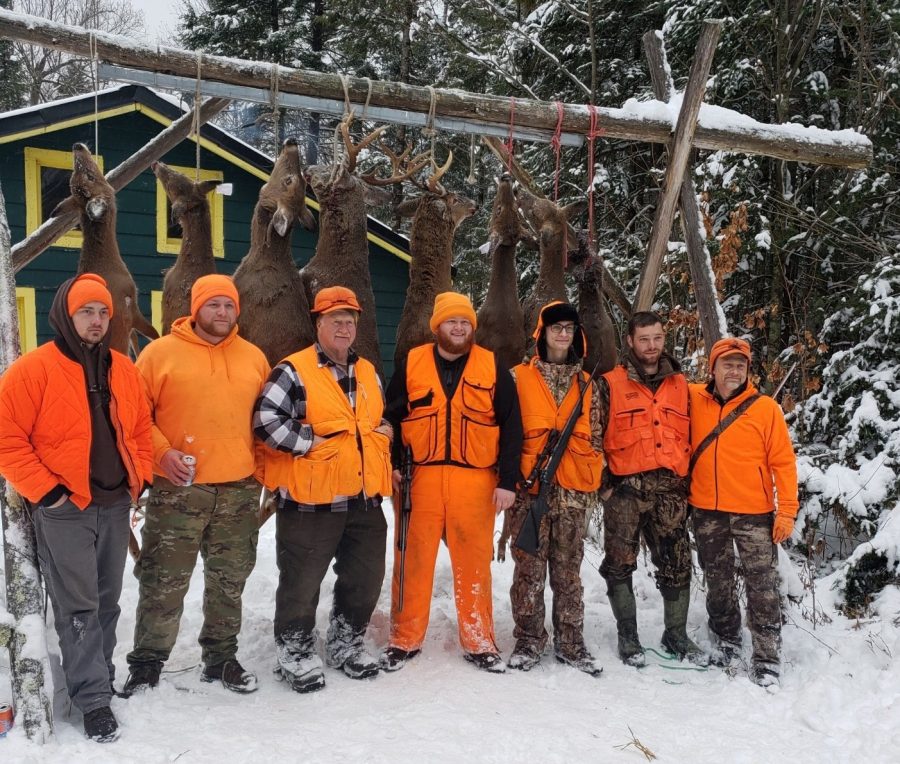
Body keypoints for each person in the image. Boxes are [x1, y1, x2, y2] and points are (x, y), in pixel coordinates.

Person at [0, 274, 153, 742]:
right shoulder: (34, 370)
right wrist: (46, 492)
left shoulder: (123, 368)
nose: (97, 320)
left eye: (103, 312)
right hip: (65, 507)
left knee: (108, 599)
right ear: (66, 314)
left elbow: (142, 430)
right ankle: (92, 701)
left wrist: (140, 477)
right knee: (79, 605)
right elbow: (7, 438)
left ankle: (99, 678)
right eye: (87, 311)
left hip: (114, 503)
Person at [124, 274, 270, 695]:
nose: (222, 313)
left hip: (239, 492)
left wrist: (258, 472)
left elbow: (265, 422)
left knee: (229, 580)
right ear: (196, 308)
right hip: (178, 490)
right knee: (163, 579)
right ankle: (148, 661)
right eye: (213, 305)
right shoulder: (158, 355)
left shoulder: (254, 359)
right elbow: (135, 416)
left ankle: (221, 658)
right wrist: (162, 454)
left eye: (228, 306)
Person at [254, 286, 392, 694]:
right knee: (301, 579)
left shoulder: (366, 370)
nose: (344, 328)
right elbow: (265, 420)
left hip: (364, 498)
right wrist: (309, 442)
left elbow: (372, 421)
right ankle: (294, 651)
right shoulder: (293, 370)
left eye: (350, 321)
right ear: (319, 324)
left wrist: (383, 435)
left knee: (365, 577)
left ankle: (346, 642)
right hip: (311, 501)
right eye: (336, 321)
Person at [381, 291, 523, 674]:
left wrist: (507, 481)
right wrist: (392, 464)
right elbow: (389, 419)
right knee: (411, 559)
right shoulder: (411, 364)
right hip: (419, 478)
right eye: (451, 322)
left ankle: (478, 640)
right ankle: (403, 638)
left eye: (465, 323)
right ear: (437, 327)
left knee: (474, 562)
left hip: (475, 480)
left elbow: (512, 427)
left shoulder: (492, 366)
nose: (459, 328)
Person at [598, 311, 706, 667]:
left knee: (677, 563)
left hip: (670, 491)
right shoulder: (609, 384)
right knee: (619, 563)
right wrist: (604, 488)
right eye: (643, 339)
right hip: (624, 490)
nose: (651, 346)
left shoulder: (682, 386)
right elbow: (591, 438)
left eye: (657, 338)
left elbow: (697, 436)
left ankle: (675, 634)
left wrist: (689, 485)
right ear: (629, 341)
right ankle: (627, 636)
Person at [689, 337, 798, 688]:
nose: (734, 370)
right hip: (707, 510)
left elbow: (783, 462)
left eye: (741, 365)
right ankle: (727, 640)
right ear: (713, 367)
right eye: (727, 364)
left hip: (754, 512)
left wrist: (787, 512)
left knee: (761, 586)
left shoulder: (765, 409)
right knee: (717, 582)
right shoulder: (693, 399)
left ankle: (767, 656)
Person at [506, 302, 604, 675]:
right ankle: (529, 640)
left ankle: (571, 642)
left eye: (568, 327)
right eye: (555, 327)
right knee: (528, 572)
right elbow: (508, 436)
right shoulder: (518, 378)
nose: (562, 333)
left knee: (568, 572)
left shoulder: (588, 384)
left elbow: (597, 435)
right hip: (530, 492)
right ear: (542, 333)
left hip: (574, 493)